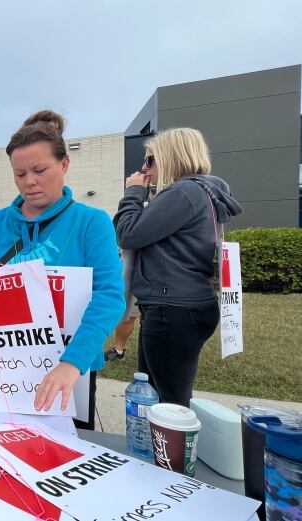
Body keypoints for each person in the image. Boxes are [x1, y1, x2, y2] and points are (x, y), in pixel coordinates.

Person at [0, 110, 125, 430]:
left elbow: (110, 296)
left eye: (40, 170)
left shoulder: (91, 222)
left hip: (70, 371)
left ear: (64, 165)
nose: (29, 182)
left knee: (66, 459)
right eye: (19, 174)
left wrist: (72, 364)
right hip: (3, 369)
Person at [114, 127, 242, 407]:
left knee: (169, 403)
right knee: (158, 393)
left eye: (150, 160)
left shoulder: (184, 192)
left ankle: (172, 450)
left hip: (171, 308)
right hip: (182, 304)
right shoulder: (203, 192)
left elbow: (128, 234)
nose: (144, 168)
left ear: (170, 158)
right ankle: (162, 448)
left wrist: (133, 193)